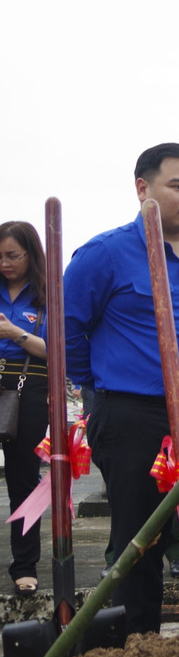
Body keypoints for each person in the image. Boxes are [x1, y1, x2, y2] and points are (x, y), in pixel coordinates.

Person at [65, 143, 179, 633]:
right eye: (178, 185)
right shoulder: (105, 253)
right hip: (134, 417)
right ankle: (139, 647)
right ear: (143, 189)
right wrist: (106, 385)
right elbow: (68, 332)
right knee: (139, 537)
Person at [0, 221, 48, 596]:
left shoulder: (48, 295)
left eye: (12, 255)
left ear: (31, 254)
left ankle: (25, 565)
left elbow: (56, 350)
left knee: (23, 479)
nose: (5, 263)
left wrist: (15, 333)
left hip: (27, 388)